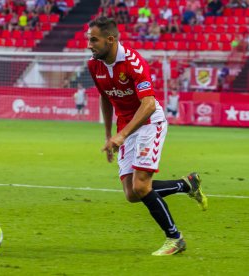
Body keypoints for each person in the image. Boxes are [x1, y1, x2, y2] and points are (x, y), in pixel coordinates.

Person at [86, 17, 208, 256]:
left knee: (141, 185)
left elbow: (149, 105)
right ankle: (187, 184)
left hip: (149, 123)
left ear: (110, 40)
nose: (89, 44)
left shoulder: (133, 63)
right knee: (132, 194)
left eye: (94, 39)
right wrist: (109, 135)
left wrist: (121, 135)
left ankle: (175, 238)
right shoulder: (94, 65)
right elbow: (105, 96)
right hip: (125, 128)